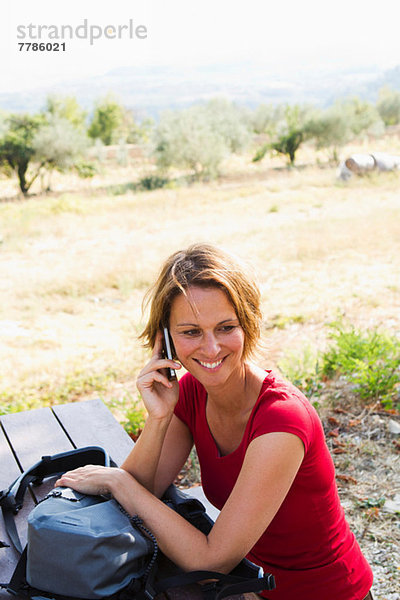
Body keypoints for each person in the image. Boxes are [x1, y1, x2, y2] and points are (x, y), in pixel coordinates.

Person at [56, 243, 374, 600]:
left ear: (248, 324)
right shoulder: (191, 392)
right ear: (165, 338)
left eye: (225, 327)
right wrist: (159, 418)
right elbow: (147, 487)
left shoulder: (281, 420)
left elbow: (212, 559)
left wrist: (118, 482)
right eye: (191, 332)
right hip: (250, 585)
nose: (210, 349)